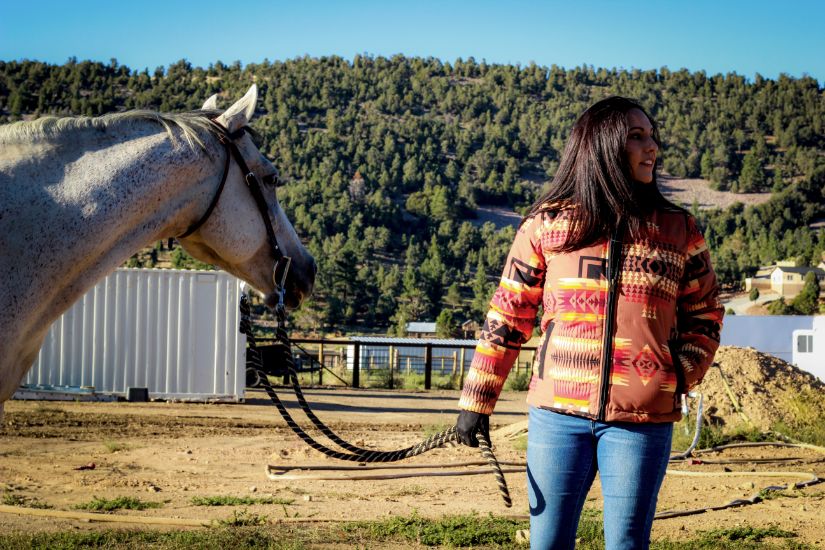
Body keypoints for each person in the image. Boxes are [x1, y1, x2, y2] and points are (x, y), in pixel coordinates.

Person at [455, 96, 724, 550]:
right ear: (601, 145)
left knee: (625, 543)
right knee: (549, 543)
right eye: (636, 137)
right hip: (555, 417)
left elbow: (706, 315)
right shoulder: (547, 225)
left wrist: (676, 375)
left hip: (642, 420)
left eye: (652, 135)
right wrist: (476, 401)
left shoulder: (679, 230)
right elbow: (507, 317)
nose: (651, 147)